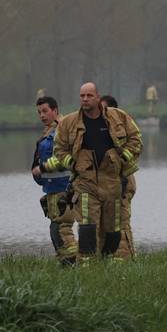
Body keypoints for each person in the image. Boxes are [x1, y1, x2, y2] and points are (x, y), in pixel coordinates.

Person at [40, 83, 142, 260]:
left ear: (98, 97)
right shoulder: (69, 123)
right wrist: (72, 164)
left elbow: (136, 139)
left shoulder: (118, 117)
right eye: (82, 96)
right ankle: (86, 265)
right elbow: (59, 149)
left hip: (113, 181)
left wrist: (122, 159)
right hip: (85, 182)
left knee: (113, 228)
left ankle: (111, 261)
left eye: (89, 95)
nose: (85, 99)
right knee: (87, 226)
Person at [31, 96, 77, 266]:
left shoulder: (62, 129)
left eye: (45, 111)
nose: (42, 115)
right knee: (55, 228)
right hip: (51, 189)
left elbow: (65, 158)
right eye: (39, 112)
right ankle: (65, 263)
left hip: (65, 188)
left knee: (62, 228)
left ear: (55, 110)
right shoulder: (48, 131)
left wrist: (42, 168)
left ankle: (73, 263)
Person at [100, 94, 139, 258]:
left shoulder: (122, 126)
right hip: (106, 185)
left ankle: (125, 259)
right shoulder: (98, 128)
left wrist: (119, 162)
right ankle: (106, 259)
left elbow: (135, 147)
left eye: (104, 109)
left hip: (123, 181)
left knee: (121, 222)